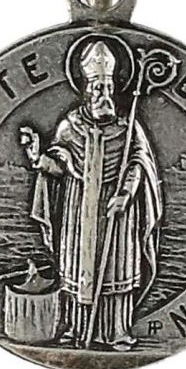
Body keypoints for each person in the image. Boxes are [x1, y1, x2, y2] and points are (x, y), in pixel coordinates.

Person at [22, 40, 162, 351]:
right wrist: (37, 158)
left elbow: (139, 163)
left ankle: (117, 332)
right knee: (77, 267)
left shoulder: (128, 126)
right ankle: (76, 329)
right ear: (85, 89)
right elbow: (58, 167)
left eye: (108, 87)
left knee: (116, 268)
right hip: (79, 207)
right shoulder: (70, 126)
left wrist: (125, 195)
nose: (103, 94)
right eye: (97, 87)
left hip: (117, 210)